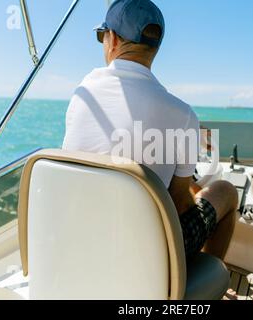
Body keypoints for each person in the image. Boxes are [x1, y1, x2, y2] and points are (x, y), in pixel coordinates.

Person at [62, 0, 238, 259]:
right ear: (155, 48)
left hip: (85, 239)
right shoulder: (183, 114)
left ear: (111, 40)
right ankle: (196, 279)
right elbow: (180, 203)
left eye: (102, 36)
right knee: (226, 191)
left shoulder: (82, 93)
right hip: (146, 255)